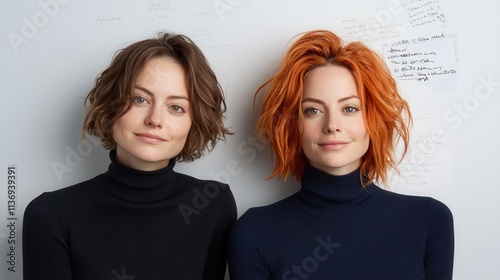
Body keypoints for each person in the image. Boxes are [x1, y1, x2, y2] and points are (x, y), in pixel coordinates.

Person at [228, 30, 454, 279]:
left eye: (349, 108)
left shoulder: (429, 221)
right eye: (312, 110)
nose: (332, 125)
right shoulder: (254, 232)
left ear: (372, 120)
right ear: (292, 124)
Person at [23, 32, 237, 280]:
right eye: (140, 99)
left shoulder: (213, 205)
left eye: (176, 107)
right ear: (112, 104)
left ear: (194, 122)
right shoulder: (50, 215)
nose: (155, 119)